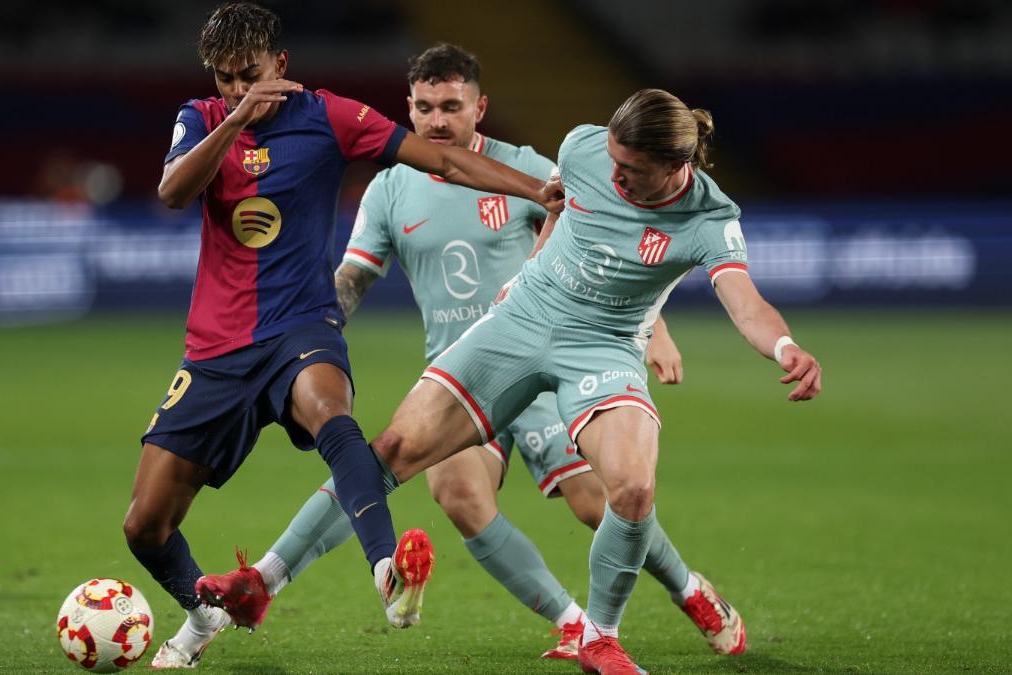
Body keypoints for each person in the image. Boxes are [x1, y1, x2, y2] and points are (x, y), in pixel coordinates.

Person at [228, 87, 823, 673]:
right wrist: (536, 261)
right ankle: (263, 581)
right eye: (612, 160)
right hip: (520, 320)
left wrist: (785, 346)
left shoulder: (709, 219)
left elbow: (746, 304)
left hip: (604, 348)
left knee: (629, 491)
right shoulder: (583, 147)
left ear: (675, 166)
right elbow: (561, 208)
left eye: (631, 169)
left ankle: (602, 637)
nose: (614, 175)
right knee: (389, 452)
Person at [122, 4, 563, 669]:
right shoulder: (201, 118)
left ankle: (387, 570)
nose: (237, 88)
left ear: (281, 65)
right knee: (145, 524)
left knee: (333, 413)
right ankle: (202, 611)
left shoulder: (331, 117)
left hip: (302, 324)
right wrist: (235, 119)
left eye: (249, 74)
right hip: (215, 346)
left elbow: (445, 161)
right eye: (224, 78)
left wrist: (540, 189)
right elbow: (172, 191)